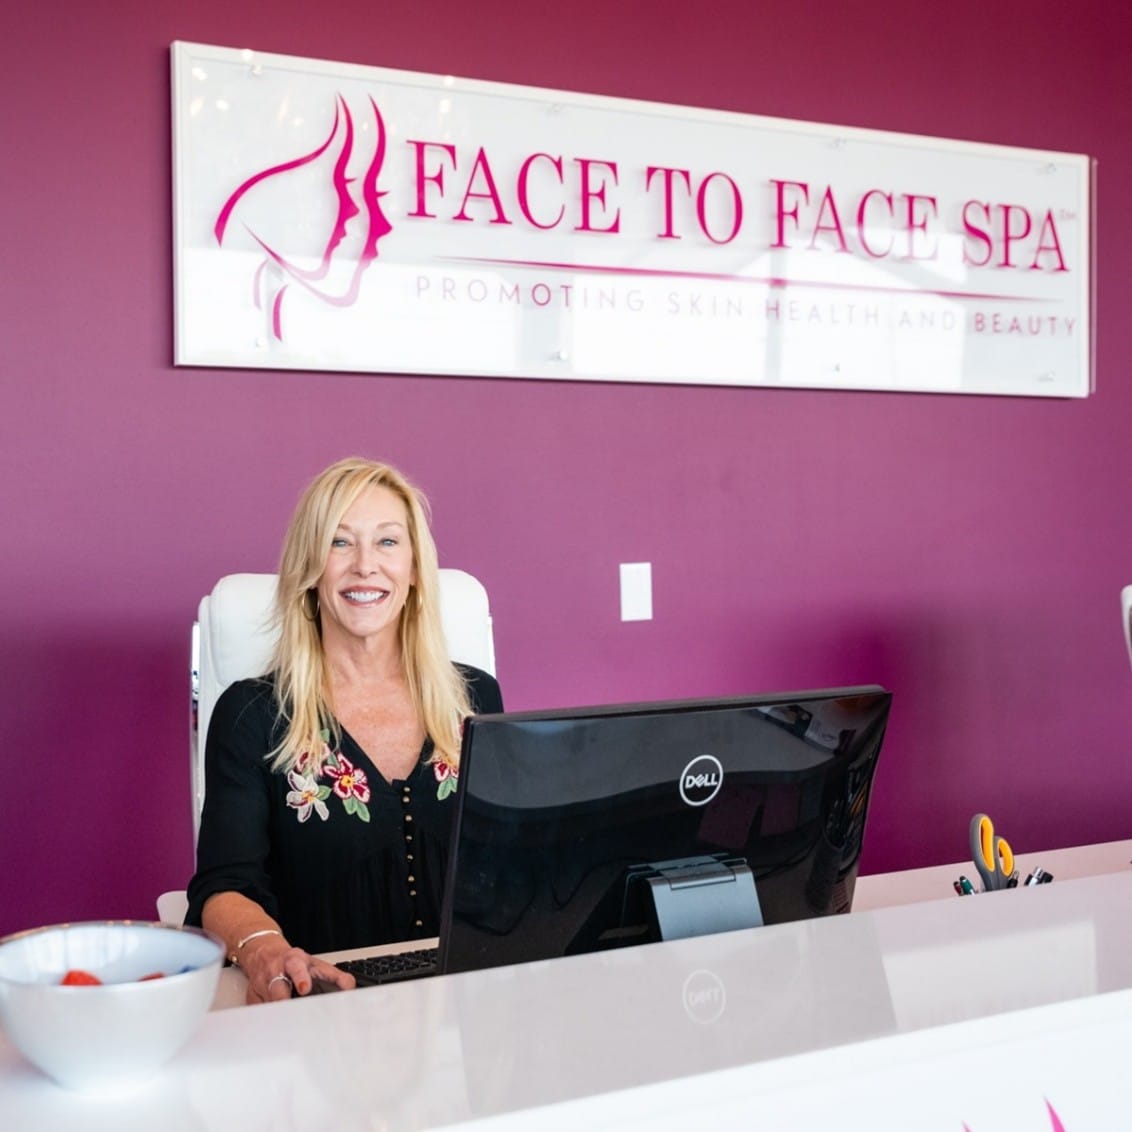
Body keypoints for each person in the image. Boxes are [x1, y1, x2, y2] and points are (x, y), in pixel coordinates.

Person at [186, 458, 503, 1003]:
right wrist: (264, 948)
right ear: (310, 568)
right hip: (326, 1003)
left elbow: (508, 861)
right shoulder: (252, 714)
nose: (365, 567)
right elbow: (223, 885)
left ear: (413, 569)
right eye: (339, 543)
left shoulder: (474, 698)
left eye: (386, 542)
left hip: (473, 1000)